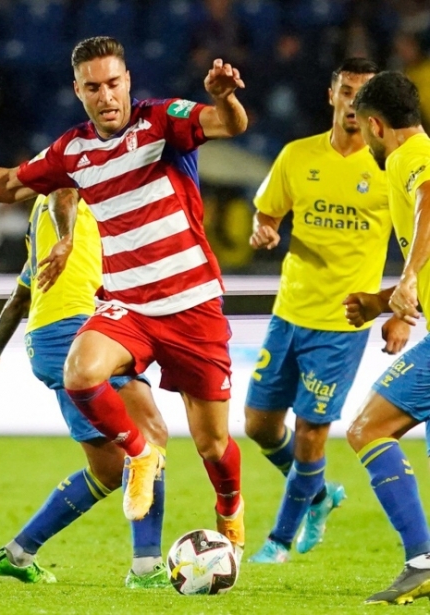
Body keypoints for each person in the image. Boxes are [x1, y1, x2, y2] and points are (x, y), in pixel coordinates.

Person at [0, 36, 248, 562]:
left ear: (127, 81)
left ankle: (230, 511)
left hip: (191, 301)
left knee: (212, 445)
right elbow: (8, 184)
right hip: (128, 305)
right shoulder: (72, 152)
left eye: (113, 83)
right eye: (93, 87)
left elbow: (230, 126)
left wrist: (225, 98)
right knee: (80, 372)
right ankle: (140, 454)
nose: (106, 96)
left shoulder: (162, 121)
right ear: (77, 90)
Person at [244, 58, 410, 564]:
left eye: (364, 95)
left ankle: (278, 541)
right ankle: (318, 494)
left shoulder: (387, 170)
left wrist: (400, 311)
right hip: (290, 309)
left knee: (312, 429)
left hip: (344, 321)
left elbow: (414, 241)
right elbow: (267, 213)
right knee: (258, 426)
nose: (353, 104)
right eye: (346, 92)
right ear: (332, 96)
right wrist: (264, 231)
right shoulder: (297, 156)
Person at [0, 188, 170, 588]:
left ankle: (18, 552)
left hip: (48, 338)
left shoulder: (47, 239)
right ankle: (147, 568)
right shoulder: (71, 191)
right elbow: (64, 189)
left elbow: (19, 298)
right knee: (150, 435)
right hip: (78, 329)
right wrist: (67, 238)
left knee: (111, 469)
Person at [343, 70, 430, 605]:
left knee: (368, 429)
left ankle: (421, 562)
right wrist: (383, 300)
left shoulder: (410, 155)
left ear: (376, 125)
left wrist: (409, 275)